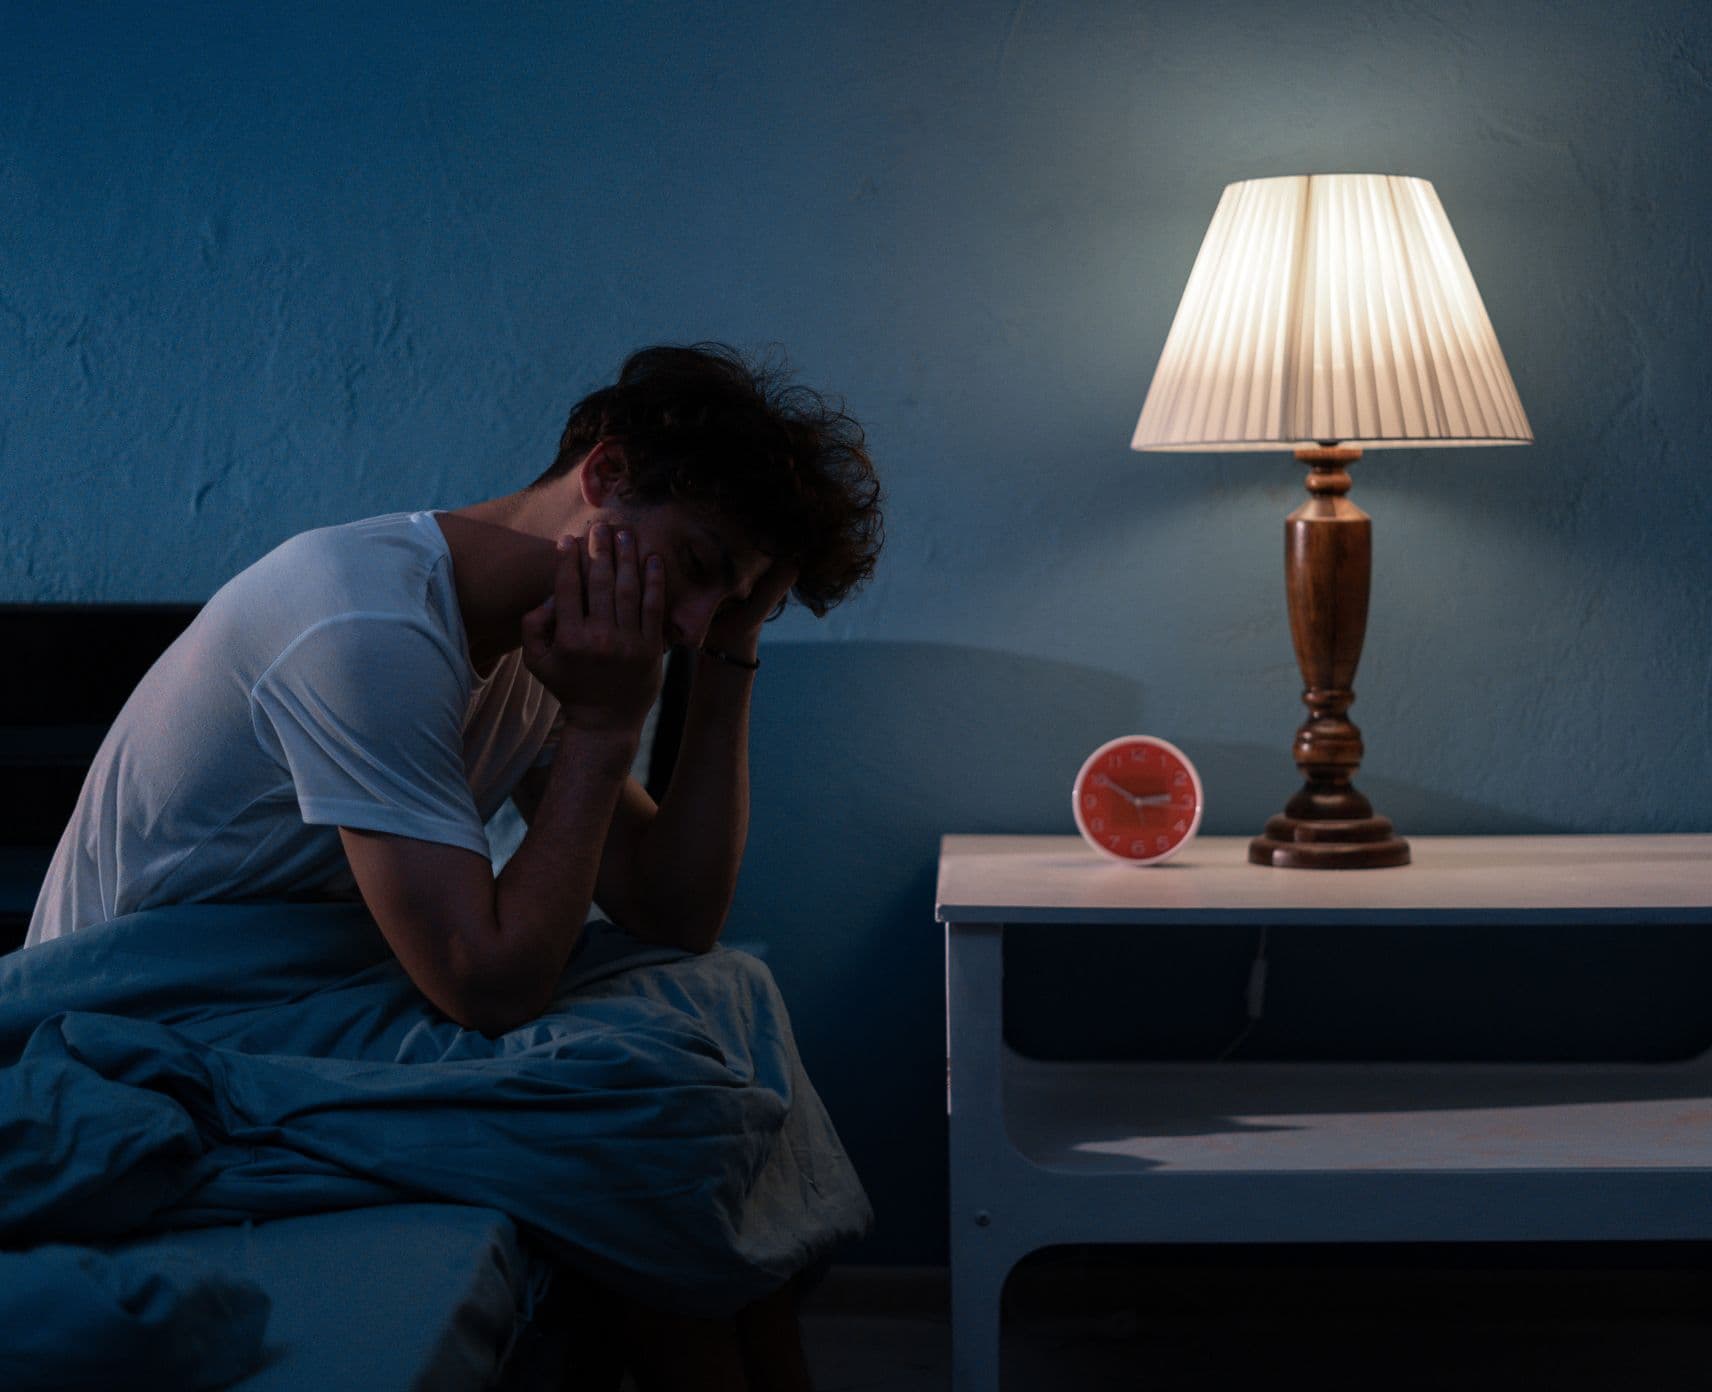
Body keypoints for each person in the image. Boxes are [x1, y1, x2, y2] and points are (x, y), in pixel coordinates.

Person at [24, 340, 885, 1390]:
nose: (692, 622)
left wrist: (730, 658)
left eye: (735, 601)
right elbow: (485, 986)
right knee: (658, 1095)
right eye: (701, 569)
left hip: (318, 984)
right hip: (160, 1005)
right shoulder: (362, 622)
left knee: (728, 990)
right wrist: (608, 727)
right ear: (605, 477)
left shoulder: (543, 638)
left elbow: (676, 911)